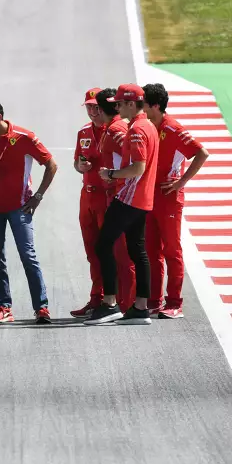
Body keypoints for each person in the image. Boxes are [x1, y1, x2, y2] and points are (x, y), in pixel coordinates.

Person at [0, 99, 58, 324]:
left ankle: (42, 308)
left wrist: (37, 196)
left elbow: (51, 165)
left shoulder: (24, 137)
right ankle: (4, 307)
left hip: (20, 206)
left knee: (28, 256)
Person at [83, 84, 160, 326]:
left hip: (129, 197)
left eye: (119, 103)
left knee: (103, 245)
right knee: (138, 251)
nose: (116, 108)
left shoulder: (137, 129)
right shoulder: (148, 125)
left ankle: (110, 304)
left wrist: (112, 174)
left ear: (129, 104)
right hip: (142, 199)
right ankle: (140, 308)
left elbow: (138, 167)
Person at [143, 83, 209, 319]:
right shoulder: (147, 127)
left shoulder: (173, 128)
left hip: (170, 198)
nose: (140, 109)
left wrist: (181, 182)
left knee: (172, 250)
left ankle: (174, 303)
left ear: (156, 106)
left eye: (144, 104)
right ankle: (154, 300)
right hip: (149, 197)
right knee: (151, 250)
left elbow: (202, 153)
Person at [70, 87, 137, 318]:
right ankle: (97, 298)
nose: (92, 111)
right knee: (93, 252)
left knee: (119, 252)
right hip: (87, 196)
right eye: (88, 107)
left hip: (110, 195)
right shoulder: (84, 132)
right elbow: (76, 162)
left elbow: (134, 162)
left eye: (95, 107)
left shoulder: (119, 130)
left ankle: (126, 302)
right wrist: (81, 166)